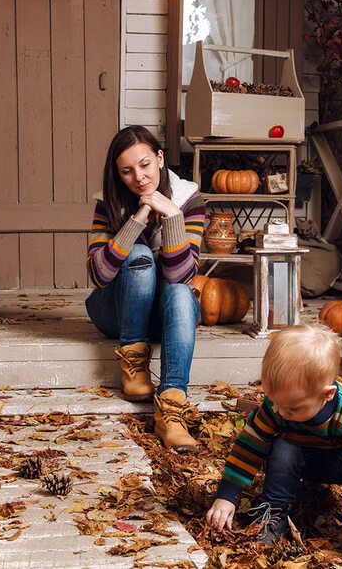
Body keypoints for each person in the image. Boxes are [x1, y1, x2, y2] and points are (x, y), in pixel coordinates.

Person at [205, 324, 342, 567]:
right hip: (298, 461)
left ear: (327, 394)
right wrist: (227, 495)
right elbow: (248, 446)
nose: (282, 413)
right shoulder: (278, 406)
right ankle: (274, 510)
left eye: (292, 408)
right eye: (276, 404)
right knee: (282, 446)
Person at [85, 125, 206, 452]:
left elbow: (182, 276)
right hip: (116, 312)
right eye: (127, 171)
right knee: (138, 255)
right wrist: (138, 218)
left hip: (164, 314)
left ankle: (171, 410)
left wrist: (172, 216)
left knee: (182, 293)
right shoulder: (107, 203)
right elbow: (98, 274)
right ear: (118, 174)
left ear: (160, 159)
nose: (138, 177)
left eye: (145, 165)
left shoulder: (188, 200)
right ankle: (134, 365)